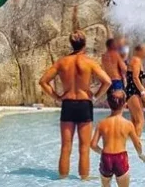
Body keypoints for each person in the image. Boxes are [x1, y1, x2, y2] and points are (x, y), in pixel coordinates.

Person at [38, 30, 112, 180]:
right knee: (84, 148)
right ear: (84, 44)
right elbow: (108, 81)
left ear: (72, 45)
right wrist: (96, 96)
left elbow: (43, 81)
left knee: (66, 147)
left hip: (68, 104)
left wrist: (57, 97)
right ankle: (84, 179)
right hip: (85, 104)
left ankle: (62, 179)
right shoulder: (90, 62)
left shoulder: (62, 62)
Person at [91, 91, 145, 187]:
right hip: (120, 158)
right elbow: (137, 144)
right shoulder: (128, 124)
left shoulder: (102, 123)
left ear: (109, 104)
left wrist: (101, 152)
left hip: (106, 158)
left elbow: (93, 145)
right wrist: (140, 154)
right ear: (125, 105)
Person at [125, 44, 145, 136]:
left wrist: (143, 89)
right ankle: (137, 142)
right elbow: (135, 78)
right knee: (140, 120)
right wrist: (142, 92)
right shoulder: (136, 60)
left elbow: (133, 79)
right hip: (133, 92)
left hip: (132, 91)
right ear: (139, 51)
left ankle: (131, 142)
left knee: (135, 120)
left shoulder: (136, 60)